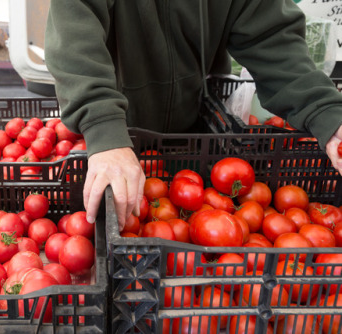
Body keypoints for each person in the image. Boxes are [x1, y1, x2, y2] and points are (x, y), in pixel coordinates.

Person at [44, 0, 342, 230]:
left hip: (194, 131)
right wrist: (103, 128)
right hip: (109, 140)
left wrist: (324, 109)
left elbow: (271, 39)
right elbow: (74, 34)